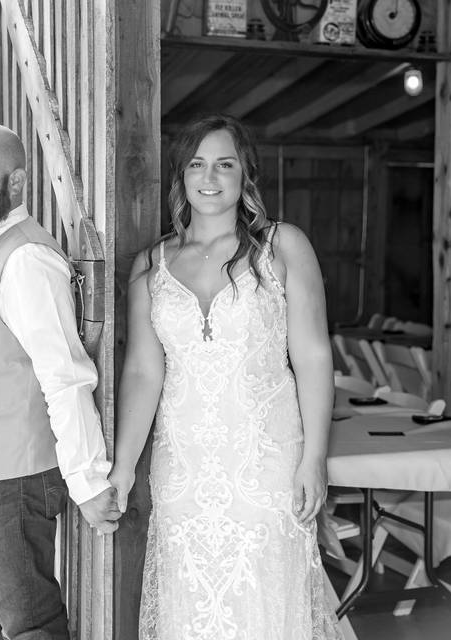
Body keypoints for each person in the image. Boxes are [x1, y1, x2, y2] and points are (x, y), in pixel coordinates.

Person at [109, 114, 342, 639]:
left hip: (267, 464)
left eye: (224, 164)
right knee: (190, 605)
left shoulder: (283, 247)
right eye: (196, 164)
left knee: (263, 603)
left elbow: (312, 357)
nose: (209, 176)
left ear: (245, 176)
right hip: (184, 471)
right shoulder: (151, 265)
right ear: (181, 177)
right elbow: (144, 372)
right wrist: (123, 466)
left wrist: (314, 457)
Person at [0, 123, 120, 640]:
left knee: (28, 620)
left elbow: (65, 374)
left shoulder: (27, 258)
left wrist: (89, 480)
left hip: (9, 479)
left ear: (15, 184)